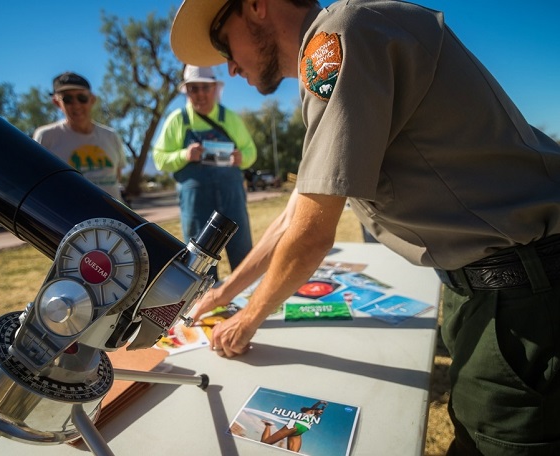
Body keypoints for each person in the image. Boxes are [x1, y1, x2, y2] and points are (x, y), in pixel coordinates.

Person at [170, 1, 560, 454]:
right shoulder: (340, 47)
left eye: (222, 41)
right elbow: (295, 214)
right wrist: (223, 294)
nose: (228, 66)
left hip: (524, 297)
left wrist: (247, 319)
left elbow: (312, 234)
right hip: (495, 289)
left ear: (256, 6)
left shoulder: (337, 39)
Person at [153, 65, 257, 276]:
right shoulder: (177, 120)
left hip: (232, 200)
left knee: (243, 257)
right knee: (198, 267)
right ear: (186, 92)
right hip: (195, 206)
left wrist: (241, 157)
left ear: (214, 89)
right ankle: (202, 305)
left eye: (205, 88)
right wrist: (184, 155)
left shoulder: (230, 118)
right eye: (193, 89)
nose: (200, 94)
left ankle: (248, 300)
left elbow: (251, 152)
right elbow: (159, 159)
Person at [33, 72, 126, 201]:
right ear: (56, 102)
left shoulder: (111, 136)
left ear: (92, 99)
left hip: (114, 216)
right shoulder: (46, 137)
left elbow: (117, 175)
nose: (76, 105)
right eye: (67, 99)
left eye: (82, 98)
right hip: (70, 218)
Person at [260, 400, 327, 452]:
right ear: (315, 410)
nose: (321, 412)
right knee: (265, 443)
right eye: (319, 411)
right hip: (293, 426)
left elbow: (320, 411)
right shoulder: (310, 411)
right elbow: (314, 407)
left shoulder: (315, 416)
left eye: (321, 412)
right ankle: (268, 425)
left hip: (298, 433)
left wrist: (323, 408)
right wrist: (320, 402)